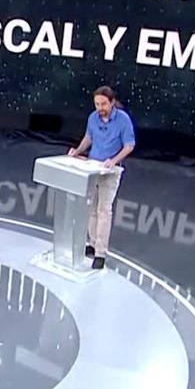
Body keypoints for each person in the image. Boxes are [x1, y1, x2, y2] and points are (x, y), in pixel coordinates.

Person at [69, 85, 136, 270]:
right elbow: (88, 138)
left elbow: (129, 146)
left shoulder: (123, 120)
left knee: (104, 211)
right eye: (97, 104)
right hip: (92, 169)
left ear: (112, 102)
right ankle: (92, 243)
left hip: (110, 172)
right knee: (91, 209)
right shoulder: (93, 117)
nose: (100, 108)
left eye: (103, 104)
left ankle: (100, 253)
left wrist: (113, 161)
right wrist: (77, 151)